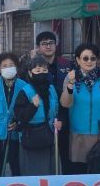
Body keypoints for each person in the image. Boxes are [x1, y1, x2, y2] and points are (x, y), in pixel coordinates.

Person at [61, 43, 100, 174]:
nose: (89, 61)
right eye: (85, 58)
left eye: (93, 58)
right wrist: (70, 85)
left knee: (98, 175)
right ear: (78, 60)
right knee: (78, 175)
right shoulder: (71, 78)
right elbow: (65, 103)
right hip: (78, 136)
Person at [32, 31, 74, 173]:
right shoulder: (34, 66)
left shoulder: (67, 64)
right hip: (44, 117)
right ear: (38, 47)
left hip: (66, 115)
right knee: (46, 158)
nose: (48, 46)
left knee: (67, 157)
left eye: (51, 43)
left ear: (56, 45)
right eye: (44, 44)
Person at [13, 55, 61, 175]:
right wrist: (33, 106)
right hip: (31, 139)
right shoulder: (25, 91)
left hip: (50, 137)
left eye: (44, 70)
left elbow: (59, 110)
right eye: (37, 70)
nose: (41, 73)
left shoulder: (52, 89)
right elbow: (20, 116)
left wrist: (60, 121)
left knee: (50, 172)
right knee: (33, 174)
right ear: (30, 73)